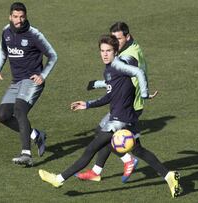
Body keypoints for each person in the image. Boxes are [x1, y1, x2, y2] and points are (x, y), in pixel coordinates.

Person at [38, 35, 181, 198]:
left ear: (116, 51)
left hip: (118, 121)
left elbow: (138, 72)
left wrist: (145, 93)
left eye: (109, 51)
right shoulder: (109, 69)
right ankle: (169, 176)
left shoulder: (118, 65)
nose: (105, 54)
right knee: (139, 151)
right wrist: (87, 104)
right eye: (102, 51)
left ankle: (58, 179)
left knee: (90, 150)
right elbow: (110, 96)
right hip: (129, 119)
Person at [77, 22, 157, 183]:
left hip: (129, 104)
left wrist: (144, 93)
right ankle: (97, 171)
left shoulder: (130, 55)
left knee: (109, 136)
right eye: (113, 38)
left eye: (118, 39)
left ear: (127, 37)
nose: (115, 42)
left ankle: (128, 160)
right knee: (105, 133)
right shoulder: (130, 47)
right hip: (126, 101)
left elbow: (122, 74)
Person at [0, 2, 58, 166]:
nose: (18, 20)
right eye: (15, 17)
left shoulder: (34, 34)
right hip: (16, 82)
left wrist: (43, 75)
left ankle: (26, 154)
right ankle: (36, 135)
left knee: (19, 110)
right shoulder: (6, 31)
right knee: (3, 116)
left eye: (21, 17)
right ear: (10, 16)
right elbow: (3, 50)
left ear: (25, 17)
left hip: (32, 81)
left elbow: (53, 55)